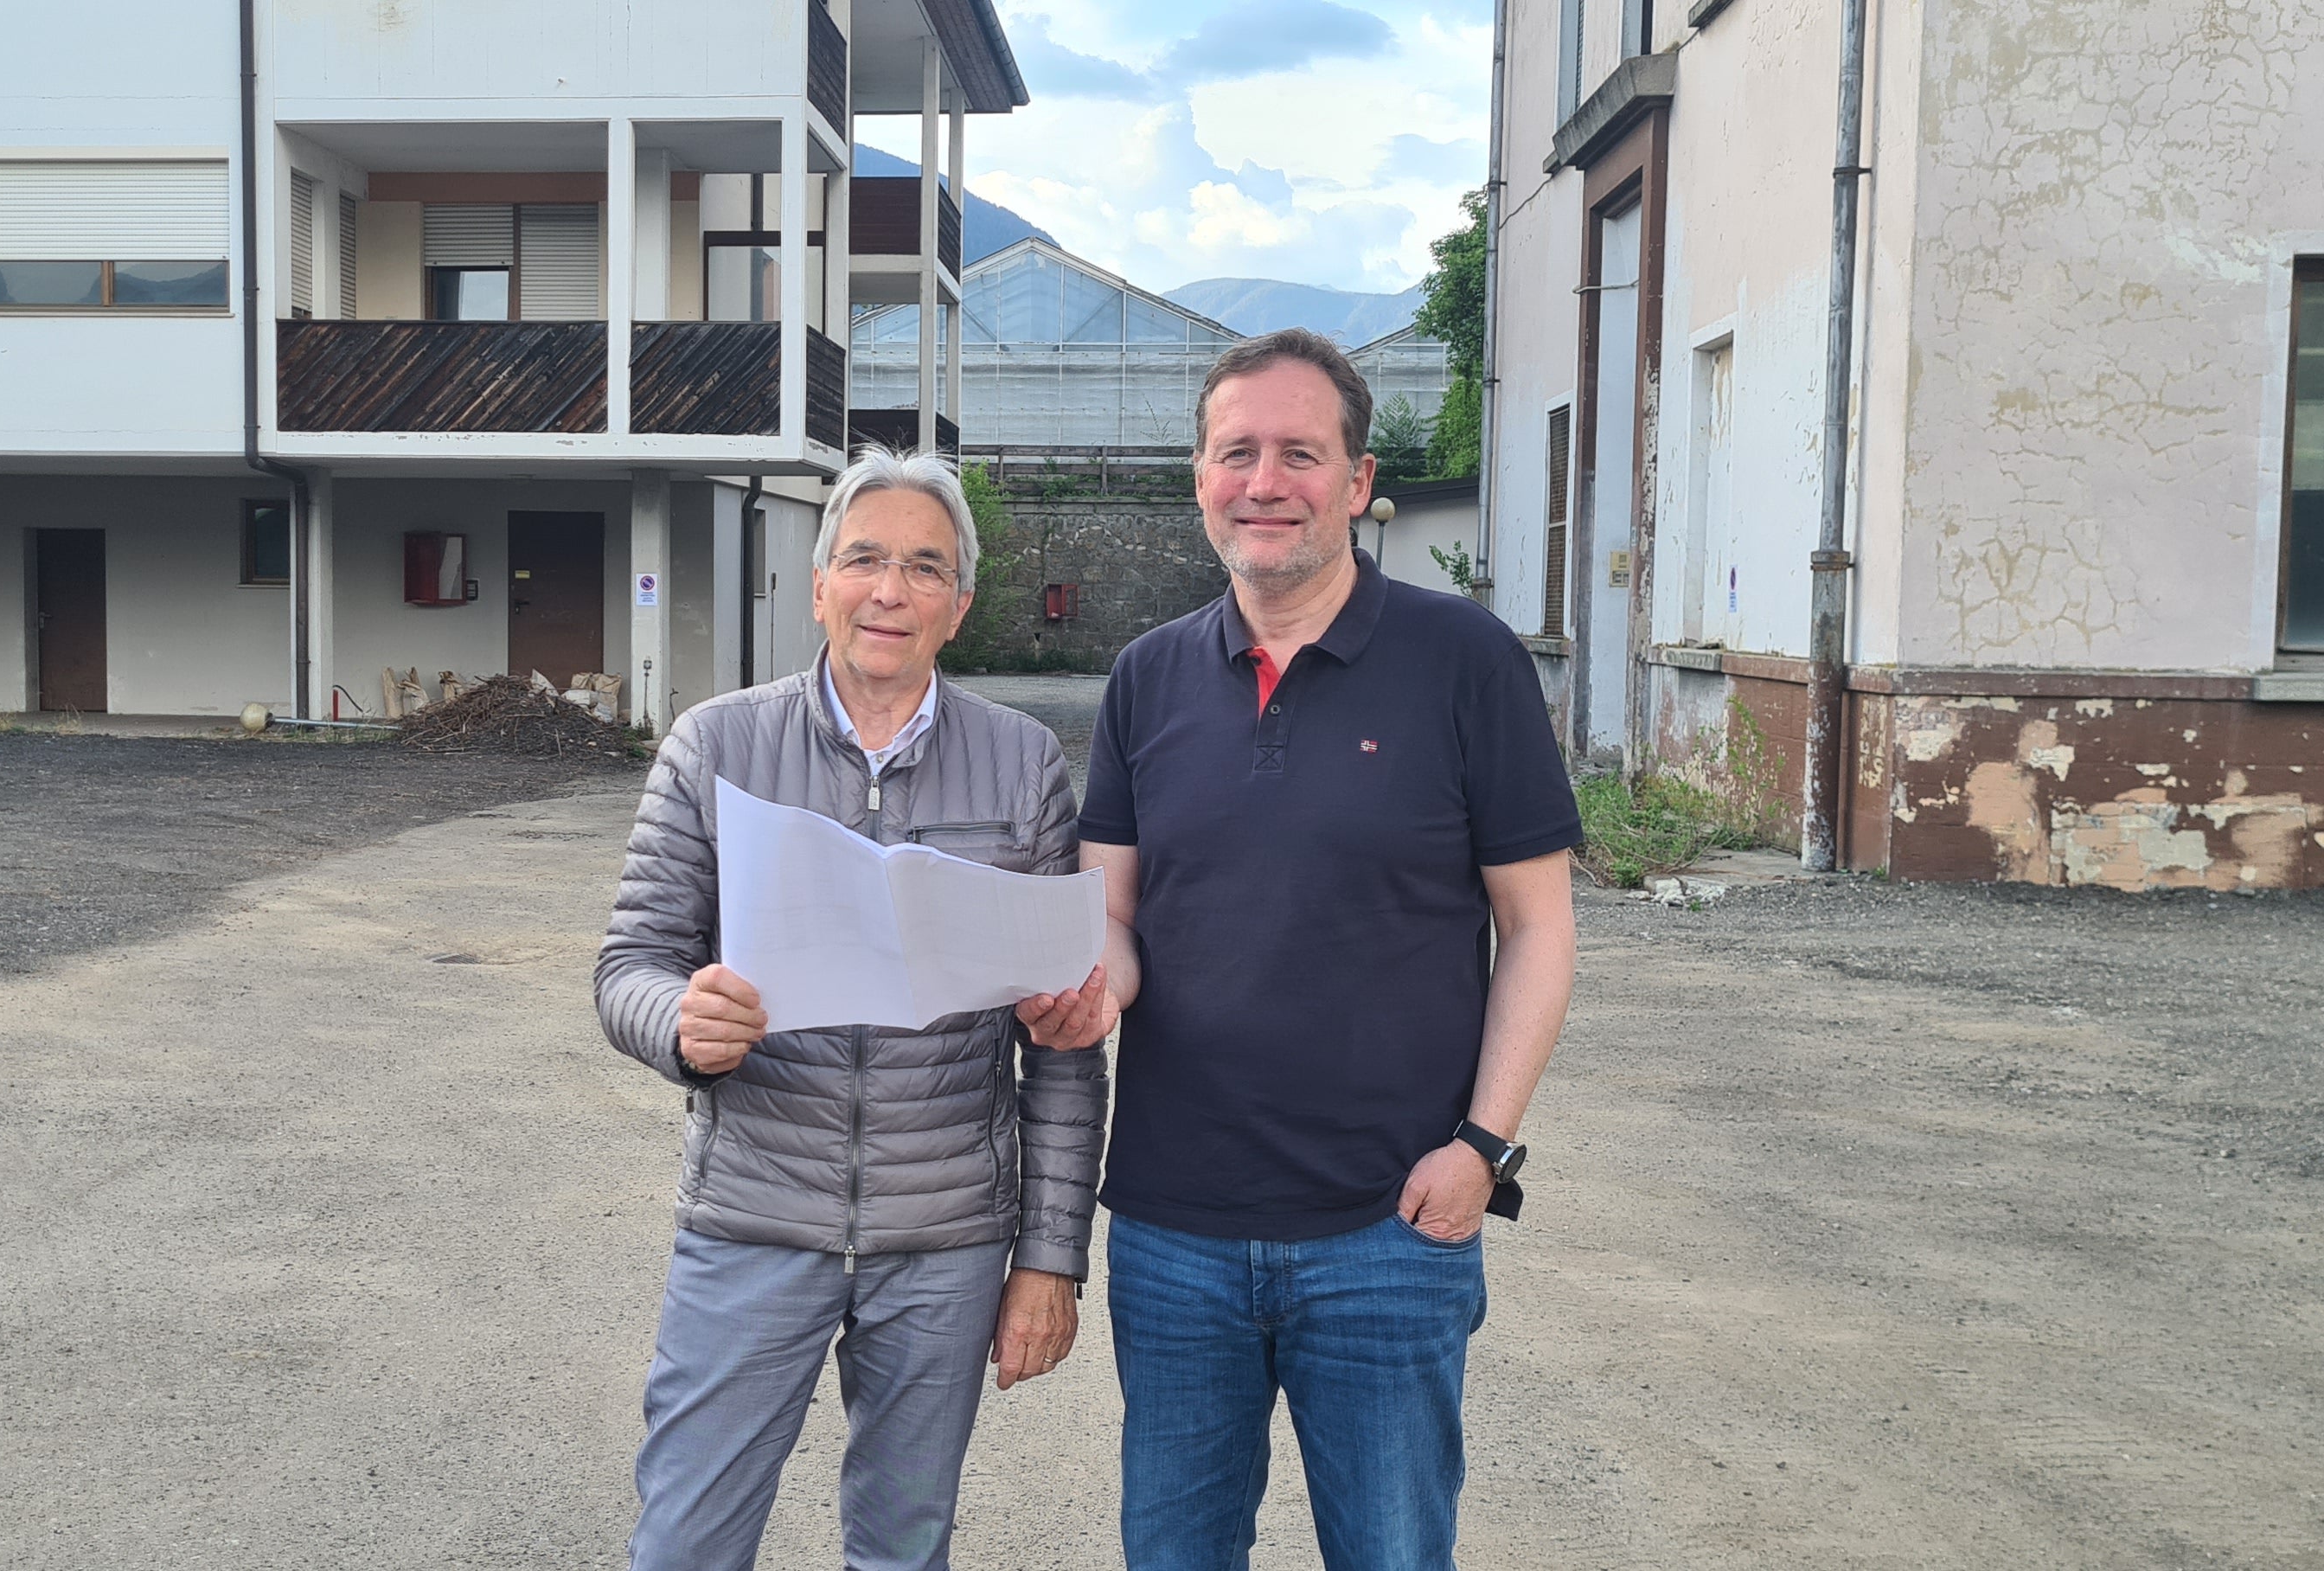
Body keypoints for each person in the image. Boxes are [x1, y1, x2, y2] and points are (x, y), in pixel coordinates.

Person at [1076, 329, 1583, 1568]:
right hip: (1172, 1231)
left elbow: (1538, 928)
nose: (1266, 481)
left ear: (1357, 484)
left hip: (1391, 1228)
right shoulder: (1146, 679)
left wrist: (1481, 1147)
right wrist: (1088, 989)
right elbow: (1114, 919)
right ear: (1199, 477)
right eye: (1237, 451)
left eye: (1301, 453)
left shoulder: (1466, 661)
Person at [595, 445, 1117, 1571]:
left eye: (925, 568)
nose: (892, 590)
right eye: (867, 559)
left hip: (945, 1245)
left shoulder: (1023, 766)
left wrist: (1052, 1254)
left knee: (902, 1546)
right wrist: (680, 1025)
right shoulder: (718, 747)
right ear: (823, 578)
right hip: (752, 1222)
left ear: (961, 605)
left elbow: (1066, 1045)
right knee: (683, 1541)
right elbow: (629, 963)